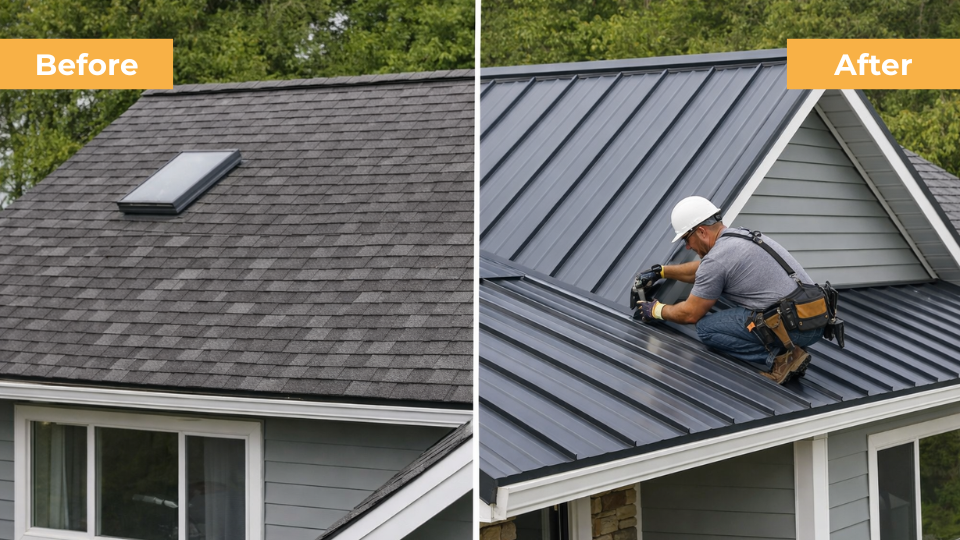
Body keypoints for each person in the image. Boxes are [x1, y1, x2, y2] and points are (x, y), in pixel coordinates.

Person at [635, 196, 824, 384]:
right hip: (814, 319)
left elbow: (690, 314)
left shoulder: (717, 259)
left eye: (687, 239)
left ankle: (782, 358)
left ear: (701, 231)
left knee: (706, 329)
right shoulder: (738, 236)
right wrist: (662, 272)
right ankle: (788, 348)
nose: (688, 246)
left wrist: (655, 310)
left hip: (796, 328)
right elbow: (704, 272)